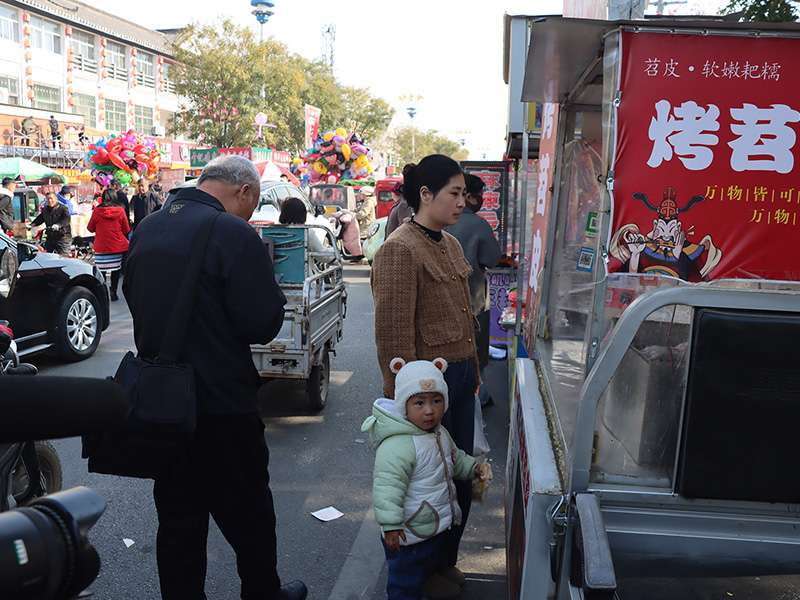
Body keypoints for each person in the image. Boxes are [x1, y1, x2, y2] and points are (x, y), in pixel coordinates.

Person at [122, 154, 307, 600]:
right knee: (250, 512)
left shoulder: (146, 227)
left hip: (163, 404)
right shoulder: (233, 232)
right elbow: (261, 322)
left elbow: (132, 295)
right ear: (244, 190)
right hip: (223, 402)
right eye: (254, 201)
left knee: (178, 519)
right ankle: (263, 593)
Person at [371, 154, 478, 600]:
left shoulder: (449, 244)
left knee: (459, 476)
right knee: (424, 483)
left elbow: (464, 316)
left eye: (462, 195)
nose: (461, 202)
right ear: (425, 195)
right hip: (428, 390)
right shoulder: (399, 249)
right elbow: (394, 340)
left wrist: (473, 375)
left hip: (460, 379)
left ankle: (444, 559)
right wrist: (411, 407)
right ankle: (422, 568)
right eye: (454, 194)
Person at [361, 358, 485, 600]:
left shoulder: (438, 431)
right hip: (407, 534)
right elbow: (387, 489)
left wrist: (473, 469)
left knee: (422, 570)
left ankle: (428, 584)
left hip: (428, 526)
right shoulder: (398, 445)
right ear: (403, 405)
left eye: (436, 401)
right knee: (405, 583)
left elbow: (454, 458)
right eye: (419, 402)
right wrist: (391, 526)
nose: (429, 410)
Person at [444, 173, 502, 407]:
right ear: (468, 196)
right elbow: (492, 258)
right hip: (473, 301)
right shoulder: (478, 224)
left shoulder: (438, 219)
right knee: (475, 353)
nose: (480, 201)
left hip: (441, 302)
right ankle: (481, 396)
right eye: (478, 197)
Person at [87, 188, 130, 301]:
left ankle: (104, 292)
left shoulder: (97, 211)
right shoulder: (120, 210)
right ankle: (113, 292)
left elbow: (90, 228)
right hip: (116, 246)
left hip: (101, 247)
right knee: (115, 270)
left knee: (102, 272)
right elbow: (126, 230)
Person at [278, 197, 335, 262]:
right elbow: (323, 256)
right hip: (301, 271)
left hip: (276, 271)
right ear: (303, 214)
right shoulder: (307, 233)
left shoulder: (270, 231)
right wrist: (333, 250)